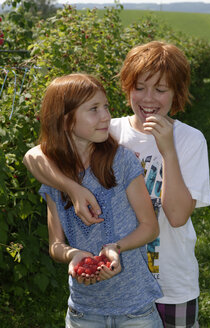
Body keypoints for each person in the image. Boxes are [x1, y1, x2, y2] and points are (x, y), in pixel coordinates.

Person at [23, 41, 210, 328]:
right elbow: (34, 156)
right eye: (139, 87)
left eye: (160, 90)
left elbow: (176, 216)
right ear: (127, 88)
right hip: (112, 290)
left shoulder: (190, 140)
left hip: (172, 282)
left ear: (177, 92)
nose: (148, 98)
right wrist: (74, 189)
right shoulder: (107, 130)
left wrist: (168, 151)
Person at [35, 73, 163, 328]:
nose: (106, 115)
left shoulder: (122, 161)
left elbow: (150, 227)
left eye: (105, 106)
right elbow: (55, 244)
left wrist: (115, 247)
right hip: (84, 312)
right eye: (94, 109)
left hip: (136, 309)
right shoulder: (53, 176)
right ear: (65, 119)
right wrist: (73, 255)